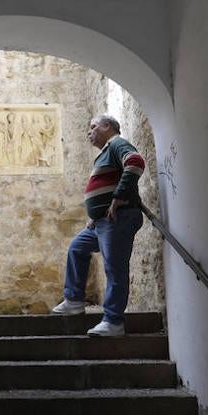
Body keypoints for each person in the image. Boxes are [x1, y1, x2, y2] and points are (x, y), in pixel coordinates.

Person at [51, 114, 146, 336]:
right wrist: (95, 214)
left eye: (93, 127)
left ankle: (114, 322)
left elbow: (135, 162)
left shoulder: (117, 144)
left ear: (107, 127)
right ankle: (74, 300)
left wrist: (119, 198)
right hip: (102, 222)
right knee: (77, 247)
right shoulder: (105, 153)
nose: (89, 132)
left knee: (114, 267)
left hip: (118, 218)